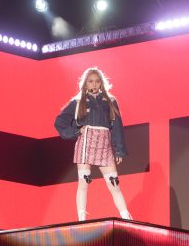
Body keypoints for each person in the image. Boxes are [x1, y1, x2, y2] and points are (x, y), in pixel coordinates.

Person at [55, 67, 132, 221]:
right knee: (84, 183)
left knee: (114, 183)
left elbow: (117, 126)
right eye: (90, 81)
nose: (94, 84)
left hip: (104, 145)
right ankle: (81, 219)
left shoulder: (110, 101)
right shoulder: (78, 101)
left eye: (97, 81)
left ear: (101, 83)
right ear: (85, 83)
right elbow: (60, 122)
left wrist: (119, 150)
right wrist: (76, 131)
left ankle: (127, 217)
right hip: (86, 144)